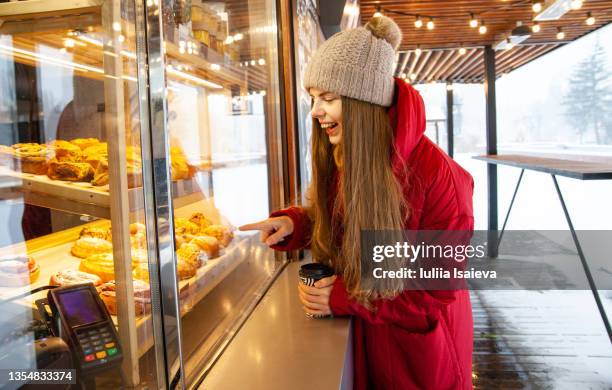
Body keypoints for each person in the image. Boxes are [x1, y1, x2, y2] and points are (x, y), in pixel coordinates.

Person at [240, 15, 474, 390]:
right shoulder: (349, 155)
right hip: (366, 339)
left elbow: (435, 289)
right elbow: (339, 216)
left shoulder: (440, 177)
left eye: (328, 99)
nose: (315, 112)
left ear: (366, 104)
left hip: (417, 357)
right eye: (314, 98)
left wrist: (344, 298)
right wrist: (296, 224)